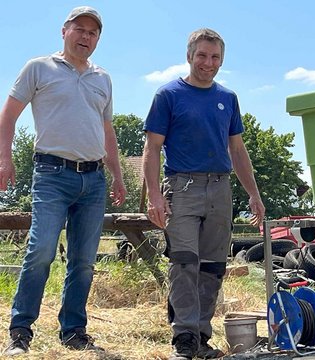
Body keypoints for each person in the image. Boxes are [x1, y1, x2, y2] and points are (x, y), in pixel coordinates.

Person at [0, 6, 126, 355]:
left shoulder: (103, 78)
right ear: (64, 31)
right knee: (41, 250)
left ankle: (73, 330)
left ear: (98, 39)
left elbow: (107, 129)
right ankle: (20, 330)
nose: (85, 37)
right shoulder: (39, 67)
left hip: (94, 179)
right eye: (79, 30)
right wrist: (4, 159)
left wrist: (116, 174)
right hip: (52, 175)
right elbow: (8, 114)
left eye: (92, 33)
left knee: (84, 260)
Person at [143, 28, 265, 359]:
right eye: (202, 55)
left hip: (220, 188)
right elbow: (152, 149)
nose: (208, 63)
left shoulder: (228, 98)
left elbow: (238, 151)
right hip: (182, 187)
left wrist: (253, 194)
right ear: (189, 55)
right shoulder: (168, 95)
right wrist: (154, 196)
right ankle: (183, 338)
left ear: (221, 60)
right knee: (184, 262)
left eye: (214, 58)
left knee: (212, 266)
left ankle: (200, 336)